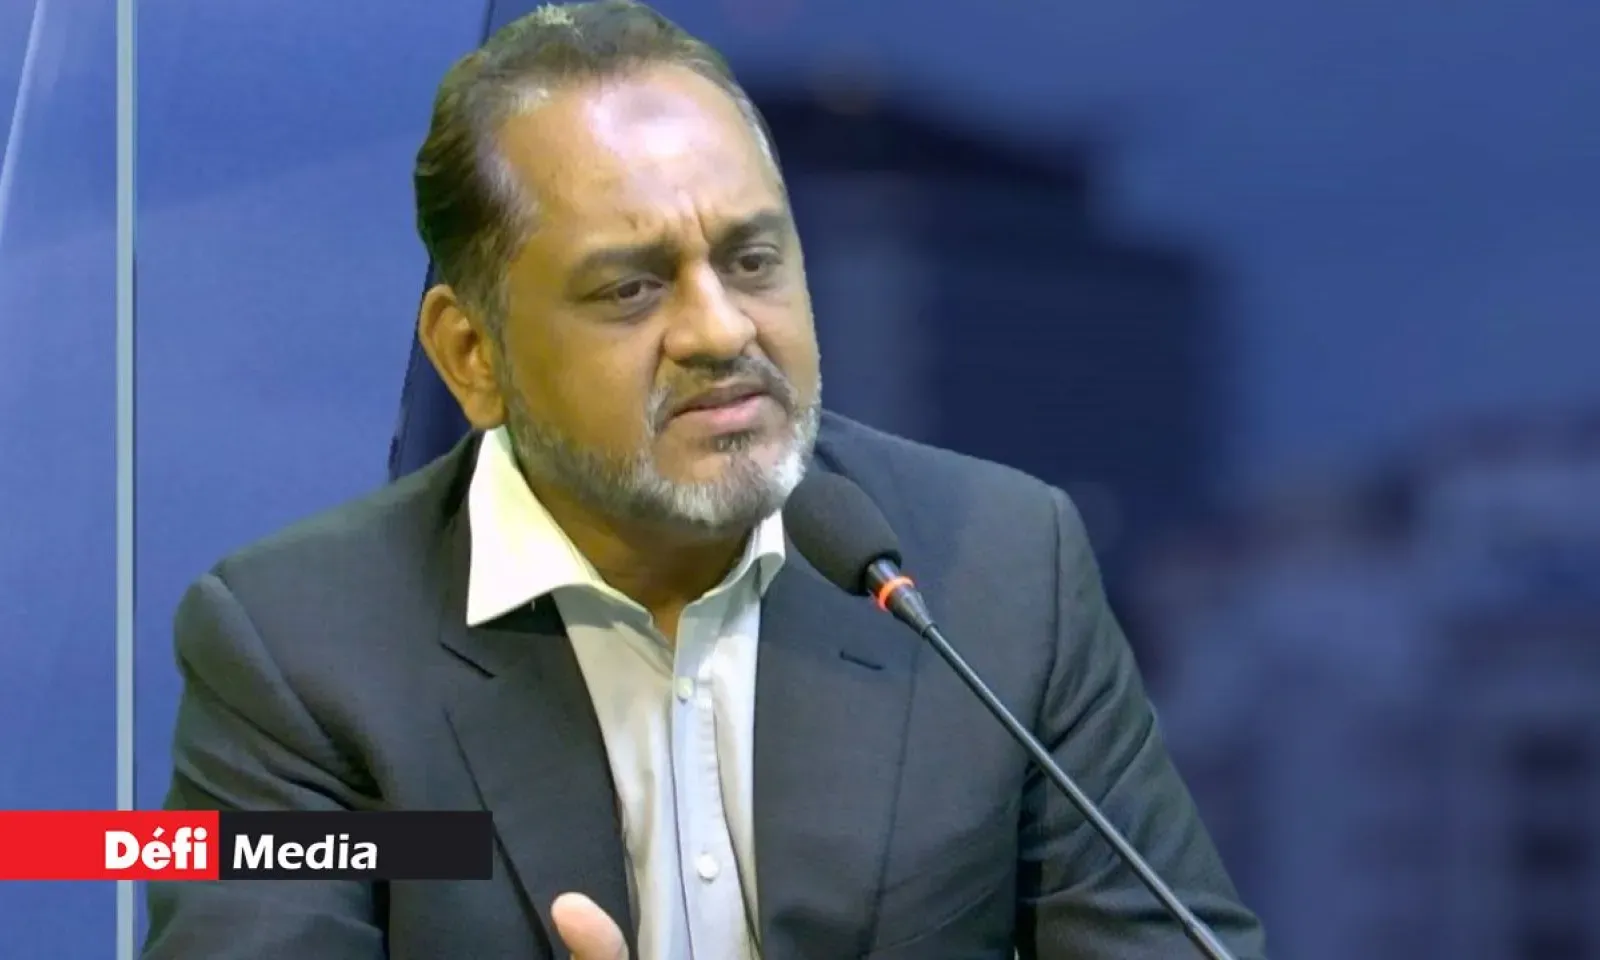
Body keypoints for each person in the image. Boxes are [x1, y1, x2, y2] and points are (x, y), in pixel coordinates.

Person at [142, 2, 1266, 958]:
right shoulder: (299, 649)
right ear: (471, 355)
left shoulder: (1002, 572)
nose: (722, 330)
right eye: (630, 289)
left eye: (753, 259)